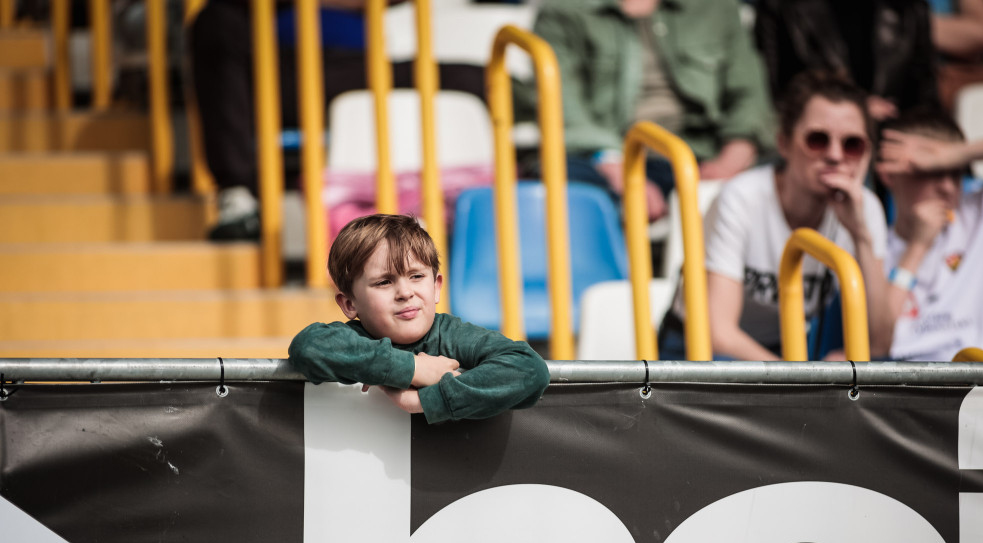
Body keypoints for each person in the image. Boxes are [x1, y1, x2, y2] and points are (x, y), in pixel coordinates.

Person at [190, 0, 486, 241]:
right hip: (276, 69)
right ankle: (238, 196)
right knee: (213, 21)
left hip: (355, 65)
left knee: (480, 77)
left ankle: (521, 170)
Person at [658, 71, 892, 360]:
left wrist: (861, 236)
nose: (835, 155)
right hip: (693, 346)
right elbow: (720, 335)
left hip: (780, 351)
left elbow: (880, 344)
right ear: (784, 143)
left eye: (852, 144)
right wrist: (801, 383)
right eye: (818, 140)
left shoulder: (865, 208)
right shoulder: (742, 197)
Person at [288, 214, 550, 422]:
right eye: (384, 282)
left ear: (436, 287)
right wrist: (414, 368)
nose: (405, 292)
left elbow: (529, 369)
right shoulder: (352, 339)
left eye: (416, 276)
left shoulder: (453, 336)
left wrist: (425, 401)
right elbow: (308, 347)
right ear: (349, 303)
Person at [530, 0, 774, 221]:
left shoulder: (716, 8)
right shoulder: (562, 10)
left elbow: (749, 94)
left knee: (787, 179)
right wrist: (619, 168)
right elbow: (564, 107)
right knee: (558, 186)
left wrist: (734, 154)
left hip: (700, 154)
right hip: (608, 156)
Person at [877, 121, 983, 360]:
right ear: (889, 175)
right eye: (929, 172)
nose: (947, 187)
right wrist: (917, 246)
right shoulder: (874, 245)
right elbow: (878, 344)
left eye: (955, 172)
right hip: (908, 385)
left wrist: (953, 154)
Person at [754, 0, 941, 122]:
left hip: (894, 133)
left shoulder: (910, 7)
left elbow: (925, 96)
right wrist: (855, 106)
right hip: (817, 130)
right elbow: (777, 92)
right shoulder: (780, 6)